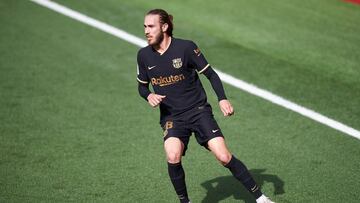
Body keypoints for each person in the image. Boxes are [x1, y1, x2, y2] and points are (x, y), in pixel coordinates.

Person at [136, 8, 275, 203]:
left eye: (151, 26)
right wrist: (148, 95)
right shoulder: (144, 55)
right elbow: (142, 88)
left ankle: (261, 198)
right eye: (145, 26)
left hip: (198, 111)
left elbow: (211, 74)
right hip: (172, 117)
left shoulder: (185, 48)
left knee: (224, 156)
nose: (146, 31)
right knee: (173, 155)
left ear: (164, 27)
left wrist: (222, 98)